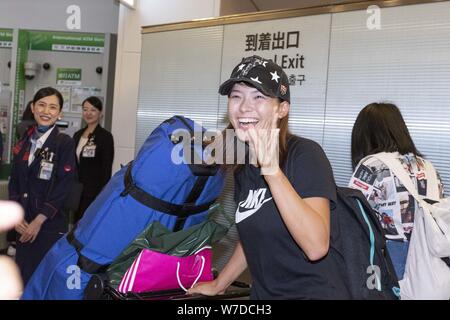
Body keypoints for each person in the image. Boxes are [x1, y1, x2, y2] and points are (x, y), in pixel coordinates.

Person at [188, 55, 347, 299]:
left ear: (282, 108)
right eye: (236, 96)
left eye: (258, 97)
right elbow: (252, 237)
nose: (243, 107)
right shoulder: (244, 167)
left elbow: (316, 247)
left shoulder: (304, 155)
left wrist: (272, 170)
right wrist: (220, 284)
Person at [348, 102, 444, 281]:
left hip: (390, 256)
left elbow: (350, 217)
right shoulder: (429, 167)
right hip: (431, 256)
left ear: (364, 135)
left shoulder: (371, 166)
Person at [8, 87, 76, 285]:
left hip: (48, 225)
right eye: (42, 105)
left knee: (43, 281)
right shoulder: (24, 141)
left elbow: (64, 186)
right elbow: (15, 181)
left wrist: (39, 221)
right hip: (24, 224)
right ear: (33, 107)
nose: (46, 111)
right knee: (22, 280)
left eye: (53, 107)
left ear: (60, 113)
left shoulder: (64, 143)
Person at [72, 96, 114, 223]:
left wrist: (103, 194)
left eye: (93, 110)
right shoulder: (77, 135)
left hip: (94, 192)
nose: (88, 113)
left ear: (100, 114)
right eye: (85, 109)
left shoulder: (105, 137)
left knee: (88, 225)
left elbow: (106, 168)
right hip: (77, 190)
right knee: (76, 224)